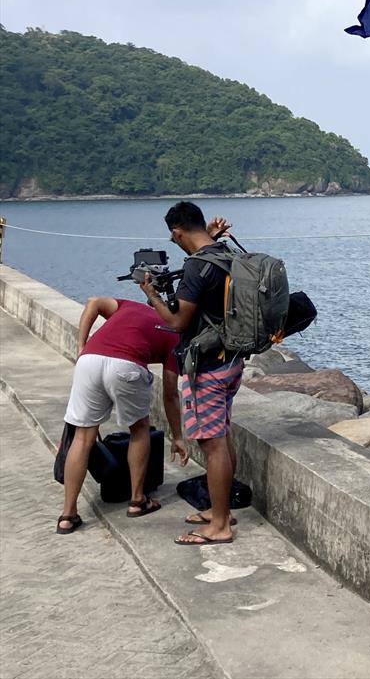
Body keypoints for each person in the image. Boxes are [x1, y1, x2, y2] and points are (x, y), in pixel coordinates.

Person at [142, 202, 240, 546]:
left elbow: (177, 322)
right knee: (222, 439)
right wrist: (208, 237)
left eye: (175, 238)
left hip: (207, 368)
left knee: (213, 447)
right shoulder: (224, 253)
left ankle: (220, 526)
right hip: (231, 360)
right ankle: (219, 511)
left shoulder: (198, 266)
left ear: (177, 232)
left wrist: (151, 293)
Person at [57, 293, 189, 535]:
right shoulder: (176, 333)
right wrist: (178, 437)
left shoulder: (129, 307)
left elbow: (93, 302)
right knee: (139, 430)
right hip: (126, 365)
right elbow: (170, 394)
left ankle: (68, 515)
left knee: (83, 437)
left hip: (89, 361)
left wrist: (81, 345)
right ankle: (138, 500)